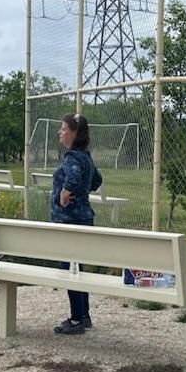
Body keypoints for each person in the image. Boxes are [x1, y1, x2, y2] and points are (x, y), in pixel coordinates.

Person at [51, 113, 102, 335]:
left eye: (63, 129)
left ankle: (75, 320)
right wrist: (82, 192)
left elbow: (72, 177)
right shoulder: (85, 157)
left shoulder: (72, 157)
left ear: (74, 133)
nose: (60, 132)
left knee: (70, 270)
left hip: (69, 220)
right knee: (78, 268)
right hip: (84, 218)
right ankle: (84, 314)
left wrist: (65, 192)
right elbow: (97, 180)